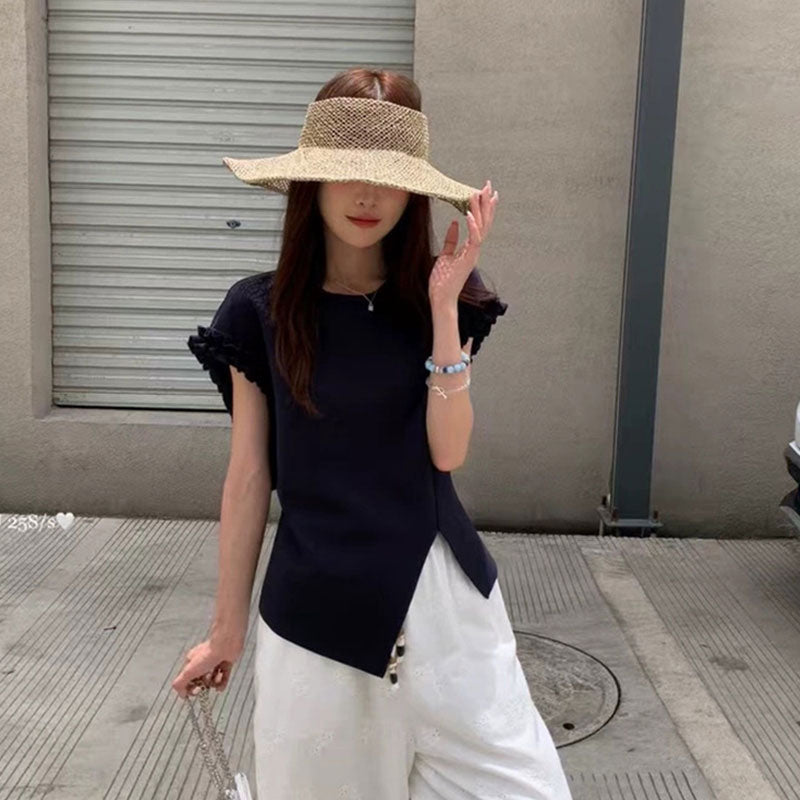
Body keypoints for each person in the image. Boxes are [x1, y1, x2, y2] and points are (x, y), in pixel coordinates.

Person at [172, 68, 573, 800]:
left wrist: (444, 310)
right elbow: (249, 476)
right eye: (347, 172)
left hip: (445, 605)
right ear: (312, 181)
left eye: (389, 178)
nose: (367, 196)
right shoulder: (259, 312)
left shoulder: (445, 299)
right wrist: (225, 631)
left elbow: (448, 452)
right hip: (316, 619)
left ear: (412, 190)